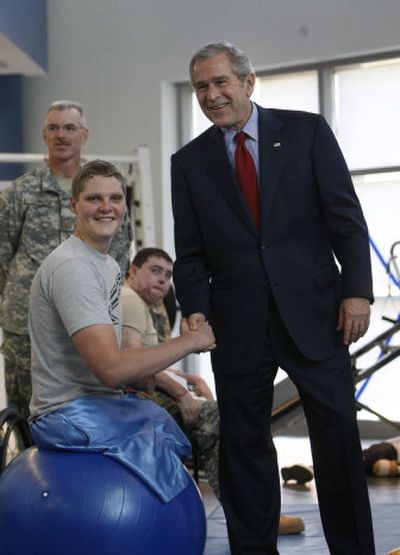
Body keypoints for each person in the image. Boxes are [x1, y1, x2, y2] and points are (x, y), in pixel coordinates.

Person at [171, 41, 375, 554]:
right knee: (244, 449)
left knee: (338, 443)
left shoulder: (306, 132)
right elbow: (190, 253)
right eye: (201, 87)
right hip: (238, 323)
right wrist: (196, 310)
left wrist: (357, 292)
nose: (212, 95)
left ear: (247, 81)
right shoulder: (189, 162)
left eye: (220, 82)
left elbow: (345, 220)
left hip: (318, 314)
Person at [28, 160, 216, 503]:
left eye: (114, 198)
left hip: (97, 402)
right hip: (64, 413)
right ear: (74, 205)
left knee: (167, 427)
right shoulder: (73, 267)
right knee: (157, 445)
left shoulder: (106, 264)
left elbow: (115, 364)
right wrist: (191, 341)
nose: (106, 207)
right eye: (93, 198)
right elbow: (112, 368)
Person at [121, 247, 305, 535]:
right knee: (223, 420)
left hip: (144, 396)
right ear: (133, 271)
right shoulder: (130, 300)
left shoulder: (149, 306)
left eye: (168, 275)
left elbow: (152, 360)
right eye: (154, 271)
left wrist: (188, 380)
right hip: (132, 400)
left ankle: (251, 517)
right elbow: (132, 362)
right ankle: (250, 520)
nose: (162, 281)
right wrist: (182, 394)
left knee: (222, 417)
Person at [0, 100, 132, 419]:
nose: (62, 135)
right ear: (44, 135)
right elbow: (2, 254)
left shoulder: (104, 191)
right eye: (54, 128)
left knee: (91, 411)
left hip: (92, 322)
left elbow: (119, 255)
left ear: (84, 134)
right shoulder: (21, 191)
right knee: (30, 418)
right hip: (27, 330)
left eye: (70, 128)